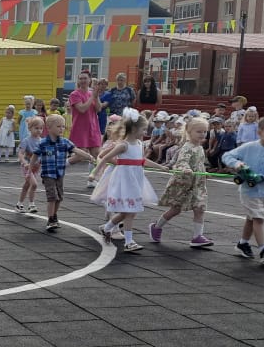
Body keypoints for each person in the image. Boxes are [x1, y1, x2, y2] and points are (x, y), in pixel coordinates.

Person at [93, 108, 164, 252]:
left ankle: (106, 228)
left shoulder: (139, 144)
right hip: (124, 181)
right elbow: (105, 157)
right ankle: (129, 242)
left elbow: (142, 160)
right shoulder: (123, 145)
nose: (145, 132)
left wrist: (160, 167)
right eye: (143, 129)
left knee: (129, 212)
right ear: (134, 129)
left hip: (135, 180)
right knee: (130, 212)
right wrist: (95, 173)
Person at [223, 114, 264, 263]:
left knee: (251, 218)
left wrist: (263, 178)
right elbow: (227, 156)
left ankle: (243, 244)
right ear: (260, 132)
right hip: (248, 191)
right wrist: (237, 164)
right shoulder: (249, 147)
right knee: (259, 218)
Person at [149, 116, 213, 248]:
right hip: (184, 184)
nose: (202, 134)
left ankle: (197, 237)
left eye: (204, 131)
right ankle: (156, 227)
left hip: (197, 184)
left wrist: (204, 172)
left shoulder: (200, 148)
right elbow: (182, 161)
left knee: (200, 208)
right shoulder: (187, 147)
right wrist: (186, 168)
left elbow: (199, 163)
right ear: (189, 132)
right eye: (199, 131)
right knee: (175, 210)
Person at [32, 113, 95, 233]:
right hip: (48, 174)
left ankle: (54, 215)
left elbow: (76, 150)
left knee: (59, 197)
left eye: (63, 126)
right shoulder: (43, 143)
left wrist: (89, 156)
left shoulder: (65, 142)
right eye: (58, 126)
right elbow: (35, 155)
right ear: (49, 127)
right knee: (52, 197)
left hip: (59, 174)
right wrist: (31, 167)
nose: (61, 129)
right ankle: (50, 219)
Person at [67, 71, 103, 188]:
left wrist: (96, 96)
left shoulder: (92, 93)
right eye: (81, 78)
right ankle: (60, 165)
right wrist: (92, 96)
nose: (83, 81)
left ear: (90, 80)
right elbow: (82, 109)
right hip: (80, 128)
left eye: (85, 78)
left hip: (93, 127)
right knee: (81, 155)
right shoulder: (74, 94)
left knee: (97, 154)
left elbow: (98, 109)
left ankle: (91, 179)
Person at [15, 115, 44, 214]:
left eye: (41, 128)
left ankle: (19, 204)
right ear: (30, 128)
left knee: (27, 185)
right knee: (34, 184)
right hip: (27, 167)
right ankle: (32, 204)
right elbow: (20, 153)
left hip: (36, 167)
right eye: (36, 128)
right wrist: (24, 163)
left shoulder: (42, 141)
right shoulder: (26, 141)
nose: (39, 130)